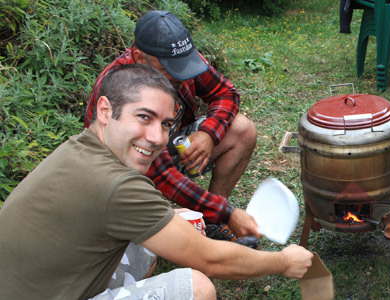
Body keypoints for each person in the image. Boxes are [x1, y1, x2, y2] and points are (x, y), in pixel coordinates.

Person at [0, 64, 313, 300]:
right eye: (144, 118)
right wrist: (283, 262)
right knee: (197, 287)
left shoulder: (81, 147)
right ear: (106, 110)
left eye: (165, 124)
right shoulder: (117, 186)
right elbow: (210, 260)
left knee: (167, 226)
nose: (157, 138)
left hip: (37, 284)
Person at [83, 10, 259, 242]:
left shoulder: (182, 61)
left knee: (242, 129)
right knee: (142, 236)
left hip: (165, 150)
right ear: (140, 58)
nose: (182, 75)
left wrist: (208, 134)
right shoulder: (121, 89)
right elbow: (161, 174)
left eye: (184, 65)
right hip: (125, 172)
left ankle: (210, 224)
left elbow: (226, 93)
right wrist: (227, 212)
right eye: (170, 70)